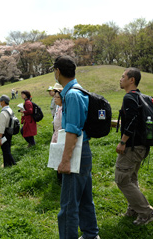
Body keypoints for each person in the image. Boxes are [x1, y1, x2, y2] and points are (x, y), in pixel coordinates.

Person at [53, 55, 100, 239]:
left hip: (76, 153)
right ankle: (90, 235)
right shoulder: (78, 90)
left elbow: (72, 132)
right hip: (83, 151)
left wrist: (65, 161)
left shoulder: (72, 95)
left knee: (68, 206)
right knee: (85, 199)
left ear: (58, 71)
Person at [116, 68, 153, 225]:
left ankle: (147, 212)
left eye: (123, 77)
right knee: (131, 177)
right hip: (142, 145)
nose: (120, 79)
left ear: (131, 80)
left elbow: (133, 120)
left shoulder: (129, 97)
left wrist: (123, 141)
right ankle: (134, 208)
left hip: (132, 146)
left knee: (121, 179)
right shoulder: (142, 96)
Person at [0, 94, 16, 167]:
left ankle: (13, 164)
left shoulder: (3, 113)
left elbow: (2, 127)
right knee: (8, 149)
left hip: (4, 133)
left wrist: (0, 137)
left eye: (0, 101)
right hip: (9, 132)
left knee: (5, 151)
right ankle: (7, 165)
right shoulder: (10, 110)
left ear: (3, 102)